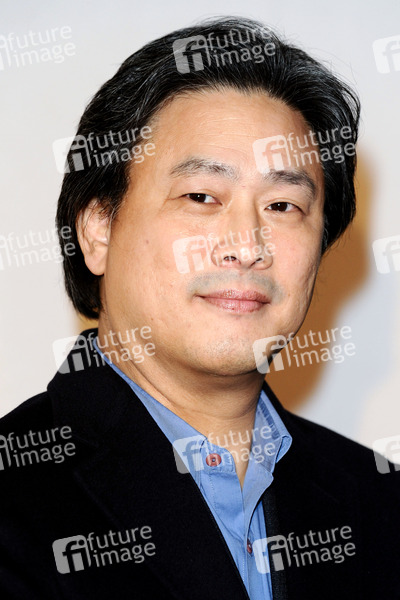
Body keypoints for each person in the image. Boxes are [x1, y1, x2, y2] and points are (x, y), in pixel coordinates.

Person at [0, 16, 399, 600]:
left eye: (283, 206)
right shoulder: (16, 499)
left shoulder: (381, 504)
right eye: (202, 196)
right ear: (98, 230)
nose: (247, 244)